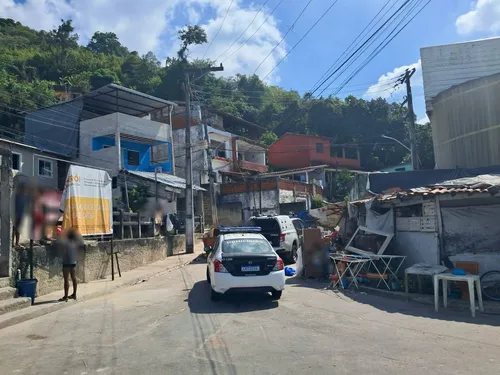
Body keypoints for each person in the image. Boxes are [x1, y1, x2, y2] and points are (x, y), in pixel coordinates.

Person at [58, 227, 84, 302]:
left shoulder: (66, 242)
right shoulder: (75, 243)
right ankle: (74, 294)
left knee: (66, 279)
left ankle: (65, 296)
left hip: (66, 262)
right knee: (73, 277)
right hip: (73, 262)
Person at [12, 182, 28, 249]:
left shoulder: (23, 196)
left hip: (20, 215)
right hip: (15, 215)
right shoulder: (16, 195)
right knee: (14, 230)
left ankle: (16, 243)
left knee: (18, 230)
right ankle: (13, 243)